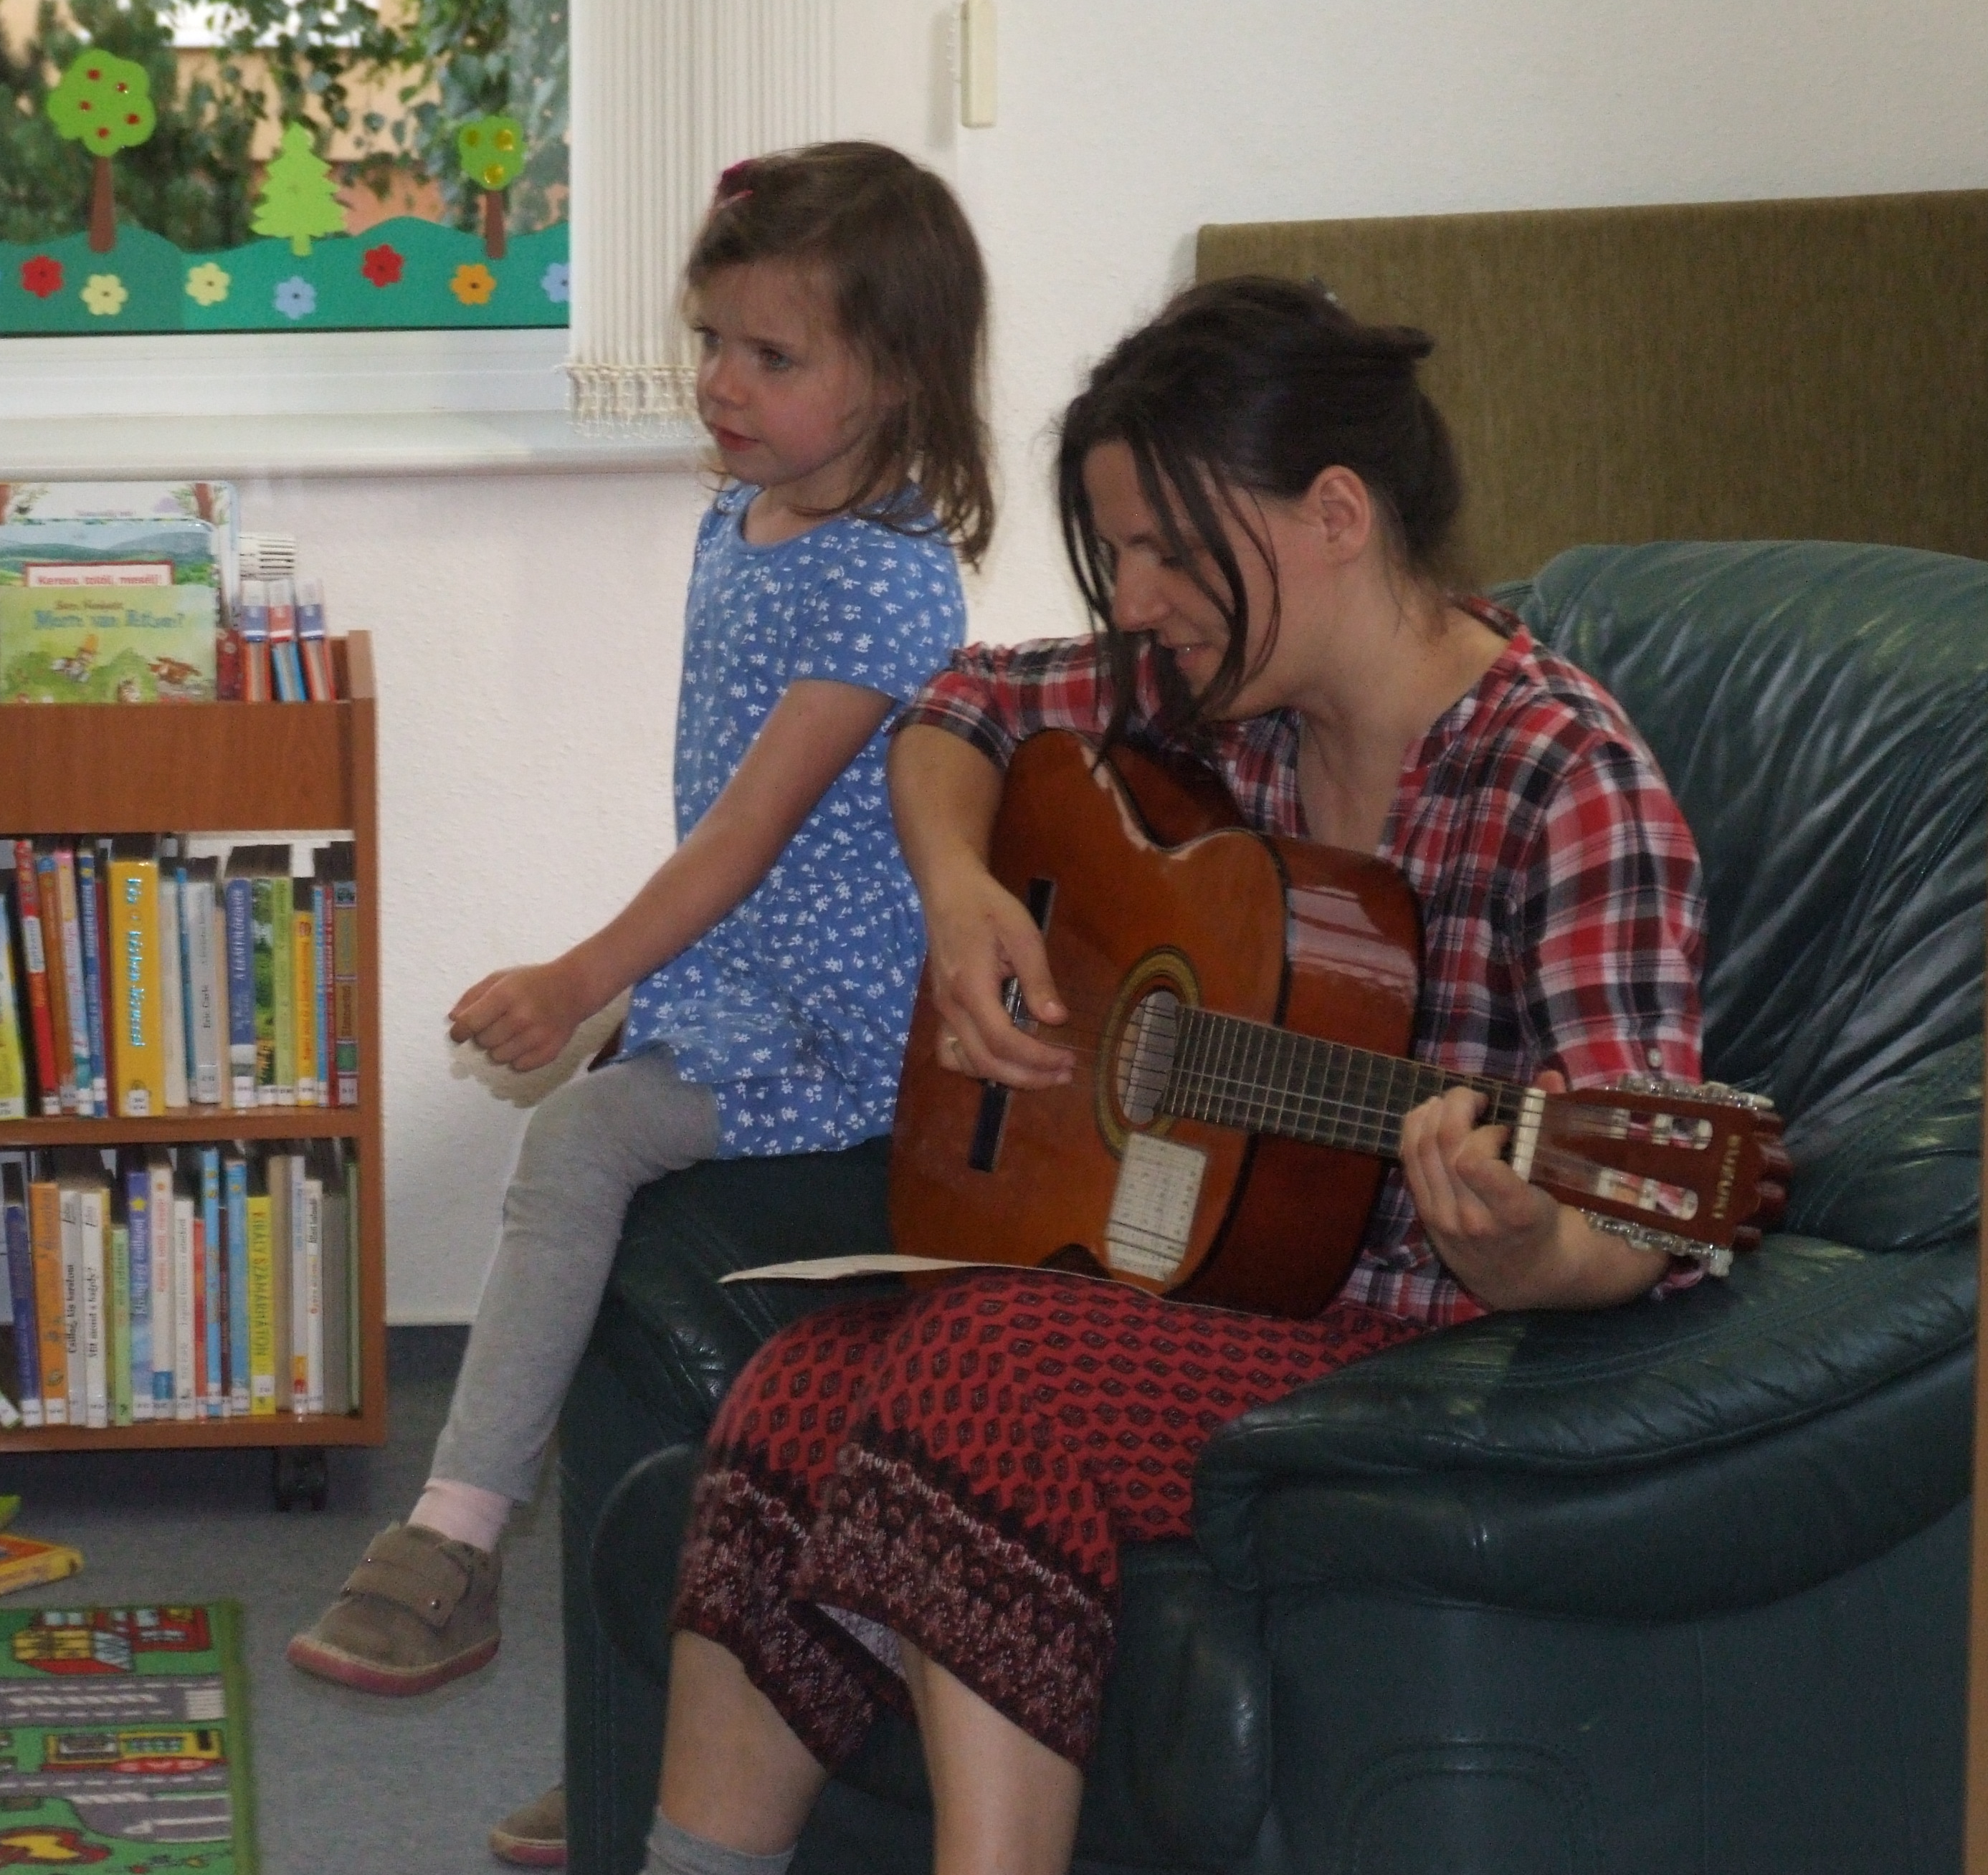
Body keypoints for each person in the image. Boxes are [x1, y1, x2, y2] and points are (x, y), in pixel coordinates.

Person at [638, 276, 1711, 1875]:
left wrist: (1524, 1246)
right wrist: (963, 896)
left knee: (980, 1369)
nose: (1133, 601)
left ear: (1333, 513)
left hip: (1420, 1349)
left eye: (1164, 550)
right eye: (1116, 552)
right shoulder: (1216, 703)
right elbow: (959, 707)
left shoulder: (1567, 782)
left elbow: (1633, 1210)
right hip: (1215, 1294)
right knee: (793, 1390)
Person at [285, 141, 991, 1864]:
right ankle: (634, 1754)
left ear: (896, 372)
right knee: (604, 1261)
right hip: (746, 992)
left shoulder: (888, 575)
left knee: (579, 1143)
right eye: (711, 342)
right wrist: (649, 987)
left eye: (773, 355)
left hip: (844, 1042)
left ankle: (449, 1546)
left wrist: (582, 977)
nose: (722, 385)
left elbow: (748, 832)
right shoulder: (735, 520)